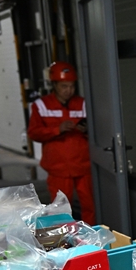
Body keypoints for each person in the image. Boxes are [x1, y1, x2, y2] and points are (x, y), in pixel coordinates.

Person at [28, 61, 95, 224]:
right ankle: (63, 240)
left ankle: (92, 240)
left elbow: (99, 131)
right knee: (60, 209)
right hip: (58, 168)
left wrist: (86, 130)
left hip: (82, 165)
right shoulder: (41, 105)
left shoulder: (83, 104)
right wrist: (57, 129)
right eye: (64, 86)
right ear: (54, 84)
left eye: (71, 86)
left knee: (90, 206)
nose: (68, 90)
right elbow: (34, 133)